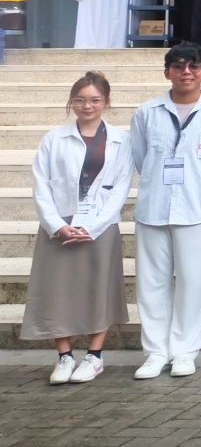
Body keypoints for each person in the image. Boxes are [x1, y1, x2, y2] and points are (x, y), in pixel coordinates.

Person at [127, 44, 201, 380]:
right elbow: (140, 157)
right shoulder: (147, 112)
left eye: (194, 66)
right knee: (151, 284)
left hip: (198, 208)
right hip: (154, 207)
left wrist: (198, 185)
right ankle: (155, 352)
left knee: (192, 282)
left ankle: (184, 352)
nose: (186, 72)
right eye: (178, 66)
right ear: (167, 72)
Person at [25, 72, 131, 385]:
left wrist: (93, 227)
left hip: (100, 226)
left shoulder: (121, 140)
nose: (88, 106)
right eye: (81, 99)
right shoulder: (53, 138)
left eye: (95, 100)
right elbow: (41, 185)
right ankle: (64, 357)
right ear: (71, 101)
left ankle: (94, 356)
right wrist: (57, 225)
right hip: (59, 227)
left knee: (100, 288)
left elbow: (121, 188)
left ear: (107, 102)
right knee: (56, 290)